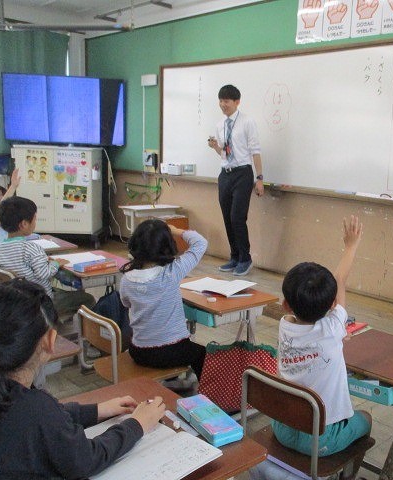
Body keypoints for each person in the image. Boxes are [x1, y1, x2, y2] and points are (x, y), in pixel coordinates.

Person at [0, 279, 166, 479]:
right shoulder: (34, 407)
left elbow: (48, 421)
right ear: (50, 341)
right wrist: (137, 424)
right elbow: (85, 460)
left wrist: (97, 410)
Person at [274, 215, 372, 457]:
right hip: (320, 439)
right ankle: (344, 470)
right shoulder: (333, 328)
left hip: (283, 427)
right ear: (332, 306)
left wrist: (336, 337)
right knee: (365, 418)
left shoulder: (285, 325)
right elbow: (340, 280)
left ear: (286, 306)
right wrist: (351, 245)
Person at [119, 219, 208, 384]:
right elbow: (200, 243)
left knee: (176, 349)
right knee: (201, 353)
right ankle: (206, 395)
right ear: (167, 245)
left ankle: (172, 380)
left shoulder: (126, 279)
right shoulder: (172, 272)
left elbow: (126, 304)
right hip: (171, 351)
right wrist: (176, 230)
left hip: (138, 352)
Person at [0, 196, 95, 316]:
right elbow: (44, 273)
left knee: (59, 291)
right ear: (24, 224)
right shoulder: (31, 248)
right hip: (40, 302)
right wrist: (55, 263)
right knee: (87, 298)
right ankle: (55, 323)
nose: (35, 222)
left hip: (14, 301)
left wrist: (42, 261)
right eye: (35, 219)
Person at [207, 84, 264, 276]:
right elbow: (225, 153)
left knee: (237, 217)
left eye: (227, 101)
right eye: (221, 101)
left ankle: (245, 259)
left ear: (237, 102)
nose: (223, 105)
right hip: (225, 174)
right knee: (227, 216)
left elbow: (255, 151)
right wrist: (216, 147)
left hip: (243, 173)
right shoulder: (220, 125)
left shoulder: (247, 122)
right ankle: (235, 257)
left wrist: (259, 178)